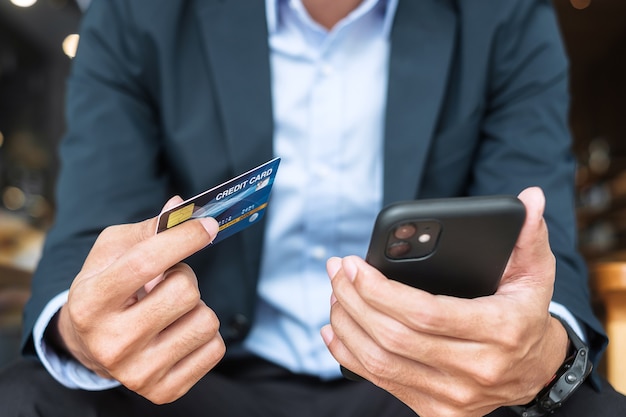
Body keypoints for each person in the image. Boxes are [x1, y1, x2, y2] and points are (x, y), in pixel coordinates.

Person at [1, 0, 625, 416]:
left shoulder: (506, 16)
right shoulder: (138, 13)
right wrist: (85, 335)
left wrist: (538, 357)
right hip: (198, 373)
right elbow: (87, 237)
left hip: (432, 378)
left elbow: (545, 247)